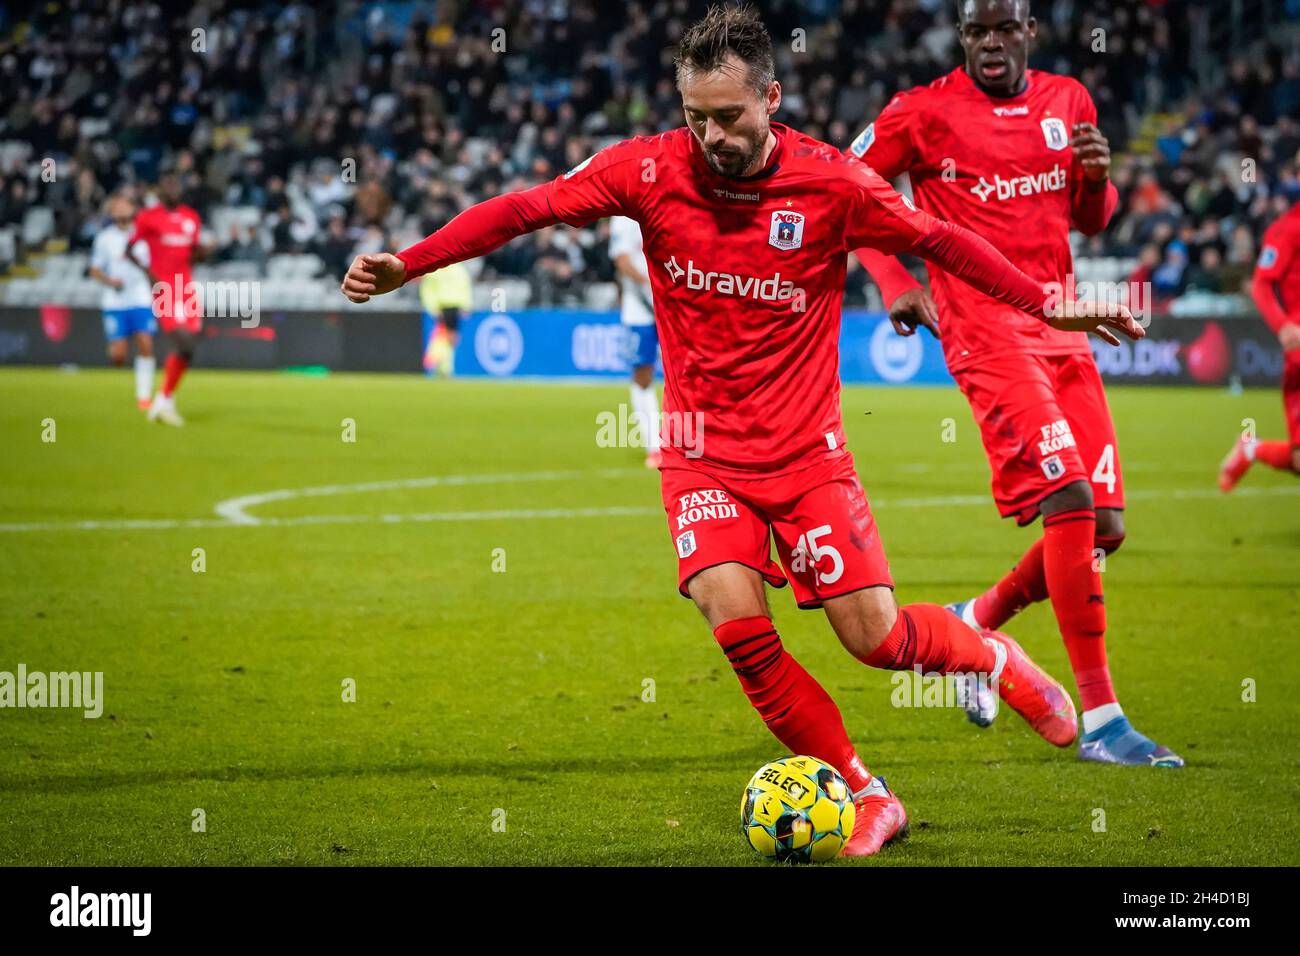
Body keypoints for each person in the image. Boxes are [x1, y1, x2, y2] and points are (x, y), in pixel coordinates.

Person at [340, 4, 1142, 856]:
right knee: (739, 632)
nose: (712, 135)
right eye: (696, 117)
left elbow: (940, 240)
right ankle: (871, 794)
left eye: (729, 116)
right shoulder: (645, 169)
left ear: (772, 98)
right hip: (699, 455)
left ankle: (991, 658)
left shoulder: (832, 182)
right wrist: (410, 261)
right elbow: (523, 210)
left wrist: (1049, 300)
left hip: (807, 456)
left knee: (877, 640)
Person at [848, 0, 1182, 767]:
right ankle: (1102, 722)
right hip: (985, 332)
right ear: (962, 37)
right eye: (976, 31)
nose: (991, 43)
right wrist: (892, 274)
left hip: (1063, 327)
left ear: (1029, 31)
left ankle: (977, 616)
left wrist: (1097, 181)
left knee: (1105, 529)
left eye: (1005, 29)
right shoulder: (921, 111)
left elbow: (1090, 220)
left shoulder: (1070, 101)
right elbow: (845, 187)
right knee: (1068, 499)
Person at [1219, 200, 1300, 487]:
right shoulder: (1288, 228)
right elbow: (1261, 284)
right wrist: (1285, 326)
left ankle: (1251, 448)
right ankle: (1250, 448)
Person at [126, 172, 208, 426]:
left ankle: (163, 400)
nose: (173, 190)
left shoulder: (191, 218)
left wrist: (203, 253)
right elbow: (129, 250)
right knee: (184, 344)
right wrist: (148, 273)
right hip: (164, 288)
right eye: (168, 186)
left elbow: (194, 255)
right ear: (160, 191)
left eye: (176, 186)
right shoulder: (148, 218)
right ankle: (164, 400)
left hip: (186, 288)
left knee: (188, 348)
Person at [88, 193, 155, 408]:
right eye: (116, 206)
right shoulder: (105, 238)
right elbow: (95, 270)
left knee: (145, 343)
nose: (121, 209)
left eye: (124, 205)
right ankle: (121, 365)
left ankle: (143, 395)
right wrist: (110, 281)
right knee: (118, 356)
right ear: (111, 212)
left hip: (140, 296)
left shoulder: (143, 236)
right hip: (115, 300)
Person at [610, 214, 662, 467]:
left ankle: (695, 441)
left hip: (673, 304)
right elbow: (622, 261)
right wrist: (652, 286)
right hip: (640, 309)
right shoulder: (622, 218)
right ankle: (654, 445)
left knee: (690, 372)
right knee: (643, 374)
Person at [419, 261, 472, 377]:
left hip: (455, 307)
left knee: (450, 338)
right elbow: (428, 290)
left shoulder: (458, 269)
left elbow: (465, 287)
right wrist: (433, 308)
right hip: (443, 307)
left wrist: (466, 306)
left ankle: (442, 366)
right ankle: (439, 366)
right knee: (444, 337)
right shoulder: (439, 270)